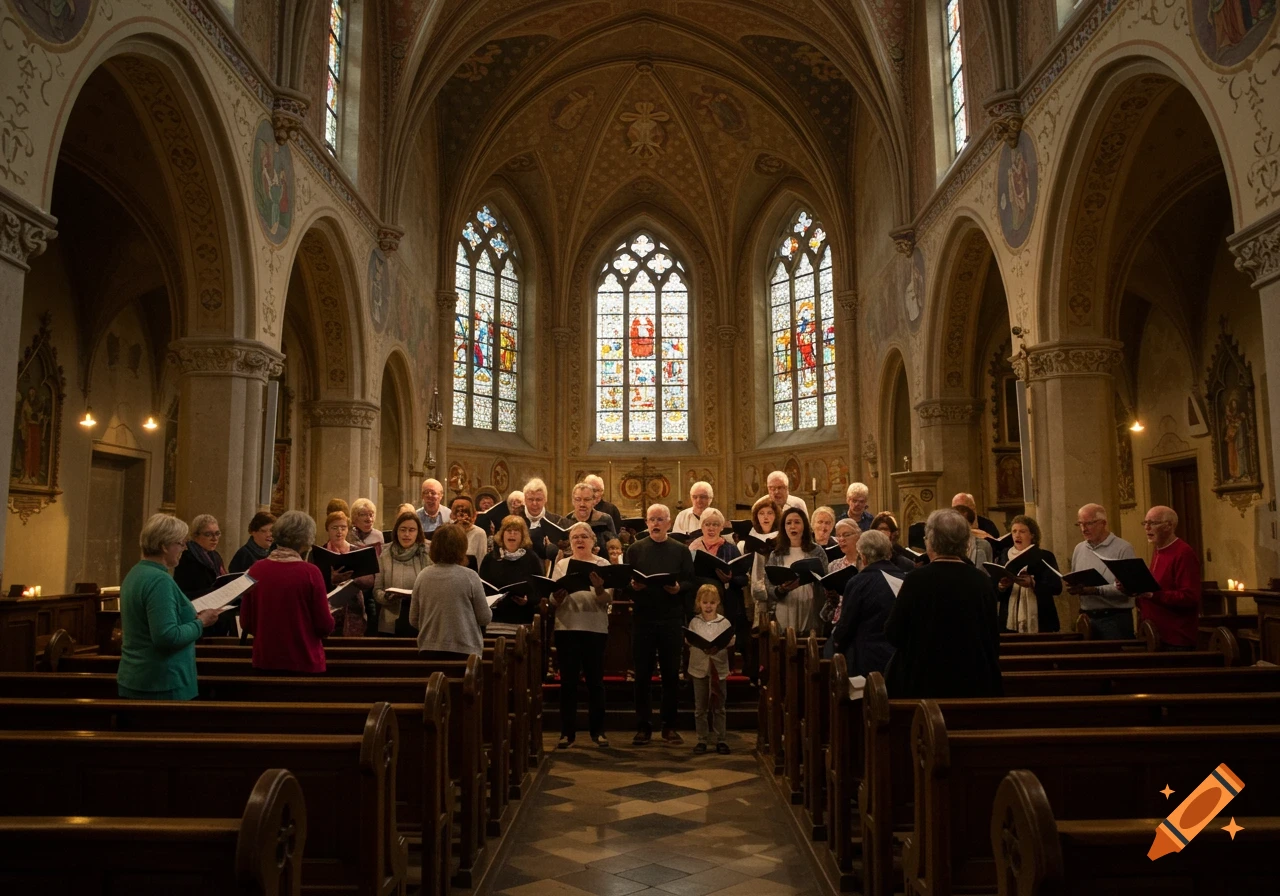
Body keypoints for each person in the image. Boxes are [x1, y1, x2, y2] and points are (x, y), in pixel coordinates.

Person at [883, 509, 1002, 698]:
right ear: (965, 543)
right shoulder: (982, 582)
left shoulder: (916, 580)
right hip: (974, 684)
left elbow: (894, 633)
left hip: (924, 683)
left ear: (930, 541)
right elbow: (992, 639)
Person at [117, 513, 222, 699]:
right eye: (180, 543)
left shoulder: (136, 572)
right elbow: (167, 637)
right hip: (162, 682)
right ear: (165, 546)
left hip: (138, 676)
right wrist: (201, 623)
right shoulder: (159, 581)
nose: (184, 548)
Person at [626, 504, 695, 745]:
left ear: (669, 522)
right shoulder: (635, 550)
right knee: (642, 675)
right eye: (652, 519)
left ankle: (669, 726)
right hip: (643, 617)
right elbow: (625, 582)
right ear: (646, 522)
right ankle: (643, 726)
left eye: (660, 519)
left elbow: (689, 581)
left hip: (671, 618)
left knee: (670, 674)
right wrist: (633, 587)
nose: (655, 524)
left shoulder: (680, 550)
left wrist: (678, 588)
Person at [241, 510, 335, 672]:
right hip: (304, 660)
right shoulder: (310, 573)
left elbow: (246, 622)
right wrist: (329, 611)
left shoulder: (256, 570)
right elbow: (324, 626)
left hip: (266, 660)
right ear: (306, 541)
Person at [550, 521, 612, 748]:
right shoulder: (562, 565)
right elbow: (551, 599)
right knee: (568, 683)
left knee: (595, 682)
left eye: (584, 536)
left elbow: (608, 600)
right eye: (575, 537)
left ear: (593, 542)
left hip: (595, 628)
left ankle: (598, 732)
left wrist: (597, 588)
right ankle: (567, 733)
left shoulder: (602, 563)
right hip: (567, 628)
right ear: (570, 542)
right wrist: (557, 595)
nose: (579, 540)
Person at [409, 523, 492, 659]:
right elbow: (484, 618)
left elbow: (413, 619)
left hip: (429, 650)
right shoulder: (470, 576)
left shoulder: (423, 575)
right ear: (461, 547)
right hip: (464, 650)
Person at [828, 530, 902, 675]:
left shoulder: (859, 582)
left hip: (867, 662)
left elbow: (846, 626)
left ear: (863, 556)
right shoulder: (906, 579)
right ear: (889, 553)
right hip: (898, 661)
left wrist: (836, 644)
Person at [1128, 505, 1201, 649]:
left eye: (1153, 523)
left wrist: (1153, 595)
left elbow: (1189, 597)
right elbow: (1158, 585)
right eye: (1145, 523)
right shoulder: (1158, 550)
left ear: (1169, 525)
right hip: (1153, 632)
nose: (1147, 528)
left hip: (1175, 637)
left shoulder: (1183, 553)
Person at [688, 508, 749, 670]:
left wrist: (730, 579)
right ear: (701, 526)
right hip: (699, 604)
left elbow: (743, 578)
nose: (711, 528)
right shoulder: (693, 548)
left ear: (721, 527)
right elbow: (686, 575)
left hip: (725, 603)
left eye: (715, 524)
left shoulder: (730, 548)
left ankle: (723, 669)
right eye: (707, 524)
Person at [1068, 503, 1137, 639]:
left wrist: (1096, 590)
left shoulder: (1123, 548)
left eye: (1088, 524)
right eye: (1080, 524)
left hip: (1114, 618)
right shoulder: (1079, 548)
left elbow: (1130, 588)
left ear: (1103, 523)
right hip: (1086, 617)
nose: (1083, 529)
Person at [766, 506, 829, 635]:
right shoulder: (776, 554)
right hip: (786, 605)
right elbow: (769, 584)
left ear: (804, 526)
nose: (792, 526)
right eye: (788, 523)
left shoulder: (816, 551)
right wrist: (782, 589)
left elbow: (825, 581)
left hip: (809, 605)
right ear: (784, 527)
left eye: (797, 522)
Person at [687, 584, 734, 755]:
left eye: (712, 603)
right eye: (705, 602)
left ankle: (721, 739)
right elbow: (689, 640)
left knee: (719, 706)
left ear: (718, 603)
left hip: (718, 668)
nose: (708, 606)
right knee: (700, 707)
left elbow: (730, 639)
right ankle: (702, 740)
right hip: (699, 667)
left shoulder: (724, 622)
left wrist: (719, 645)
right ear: (699, 603)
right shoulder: (695, 622)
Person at [996, 514, 1062, 633]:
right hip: (1009, 622)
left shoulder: (1045, 556)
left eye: (1022, 531)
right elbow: (996, 593)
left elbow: (1056, 587)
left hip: (1041, 619)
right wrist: (1001, 586)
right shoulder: (1004, 556)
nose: (1017, 535)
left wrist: (1032, 583)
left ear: (1032, 535)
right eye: (1014, 531)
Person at [312, 511, 374, 636]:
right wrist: (331, 579)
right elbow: (313, 583)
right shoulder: (319, 553)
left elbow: (370, 580)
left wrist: (353, 578)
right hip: (328, 608)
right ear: (327, 529)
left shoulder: (357, 551)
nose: (339, 531)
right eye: (335, 528)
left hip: (354, 608)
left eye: (343, 527)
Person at [174, 513, 235, 637]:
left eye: (217, 533)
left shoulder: (215, 556)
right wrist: (214, 592)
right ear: (195, 535)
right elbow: (182, 594)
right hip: (198, 619)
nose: (214, 538)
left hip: (218, 616)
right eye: (208, 534)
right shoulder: (187, 558)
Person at [373, 511, 431, 637]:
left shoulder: (426, 552)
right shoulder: (384, 553)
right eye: (403, 529)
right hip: (390, 618)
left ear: (418, 532)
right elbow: (377, 589)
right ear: (396, 531)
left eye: (411, 530)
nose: (406, 534)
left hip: (420, 618)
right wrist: (386, 597)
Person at [480, 516, 543, 625]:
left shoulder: (532, 558)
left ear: (522, 536)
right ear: (502, 534)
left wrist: (527, 601)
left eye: (516, 531)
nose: (512, 534)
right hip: (495, 614)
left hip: (522, 615)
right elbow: (481, 587)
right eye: (509, 531)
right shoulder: (491, 558)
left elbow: (539, 590)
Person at [819, 518, 861, 630]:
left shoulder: (865, 564)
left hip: (860, 623)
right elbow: (828, 607)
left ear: (858, 536)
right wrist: (832, 601)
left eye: (846, 535)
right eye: (838, 535)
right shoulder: (833, 566)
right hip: (837, 624)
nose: (841, 539)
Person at [348, 498, 384, 623]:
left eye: (371, 514)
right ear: (354, 518)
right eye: (363, 514)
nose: (369, 519)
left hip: (373, 584)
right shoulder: (348, 535)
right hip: (352, 584)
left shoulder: (378, 535)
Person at [560, 481, 616, 557]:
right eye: (578, 499)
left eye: (586, 500)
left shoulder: (605, 520)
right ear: (573, 501)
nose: (582, 504)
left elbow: (614, 547)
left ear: (593, 501)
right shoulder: (567, 520)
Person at [519, 478, 566, 563]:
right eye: (530, 499)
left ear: (545, 499)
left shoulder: (557, 521)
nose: (534, 503)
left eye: (538, 499)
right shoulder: (516, 521)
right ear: (525, 500)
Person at [450, 495, 489, 564]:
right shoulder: (446, 532)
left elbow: (481, 560)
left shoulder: (479, 533)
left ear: (473, 515)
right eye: (457, 512)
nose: (462, 518)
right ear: (452, 515)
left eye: (466, 512)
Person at [954, 505, 994, 571]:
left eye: (962, 523)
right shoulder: (945, 545)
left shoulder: (984, 545)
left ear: (970, 525)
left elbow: (988, 573)